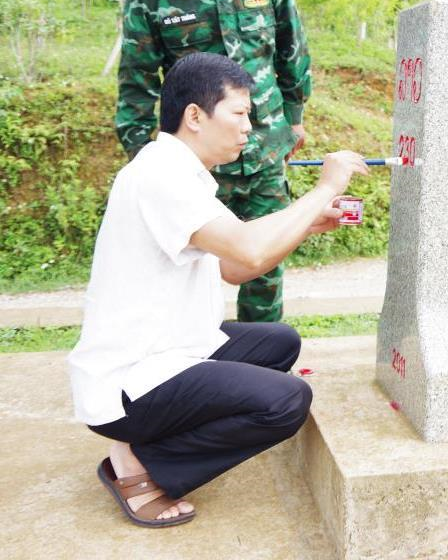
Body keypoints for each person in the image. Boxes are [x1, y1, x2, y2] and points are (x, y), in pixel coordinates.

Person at [70, 53, 368, 527]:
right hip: (130, 380)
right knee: (286, 400)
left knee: (279, 343)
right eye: (239, 112)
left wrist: (308, 224)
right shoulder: (161, 177)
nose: (248, 126)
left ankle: (148, 445)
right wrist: (322, 190)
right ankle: (141, 465)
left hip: (167, 349)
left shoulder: (181, 172)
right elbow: (247, 253)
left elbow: (232, 267)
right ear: (195, 115)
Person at [115, 0, 311, 323]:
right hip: (196, 165)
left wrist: (295, 118)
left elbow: (291, 49)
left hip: (263, 148)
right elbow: (136, 86)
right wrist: (145, 163)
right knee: (190, 271)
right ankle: (191, 365)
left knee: (264, 266)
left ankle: (261, 367)